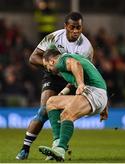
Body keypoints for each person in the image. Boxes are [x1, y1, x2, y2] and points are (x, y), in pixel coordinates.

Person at [16, 12, 94, 160]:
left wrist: (69, 87)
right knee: (44, 111)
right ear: (65, 26)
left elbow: (82, 73)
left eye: (79, 27)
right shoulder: (54, 37)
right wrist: (51, 66)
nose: (76, 31)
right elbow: (33, 58)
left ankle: (57, 147)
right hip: (52, 76)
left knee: (64, 114)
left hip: (71, 81)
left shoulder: (86, 47)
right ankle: (25, 148)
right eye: (72, 27)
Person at [38, 49, 108, 161]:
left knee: (67, 114)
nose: (48, 70)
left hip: (93, 93)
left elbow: (76, 64)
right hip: (98, 95)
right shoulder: (69, 59)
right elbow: (77, 76)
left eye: (47, 66)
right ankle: (57, 143)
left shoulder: (61, 60)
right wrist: (63, 93)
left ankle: (60, 150)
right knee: (51, 102)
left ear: (51, 61)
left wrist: (80, 84)